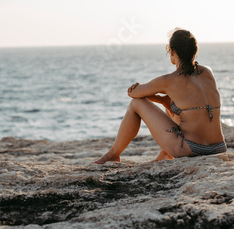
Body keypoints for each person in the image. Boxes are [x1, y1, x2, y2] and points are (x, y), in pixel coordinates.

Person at [94, 28, 226, 164]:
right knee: (171, 106)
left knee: (136, 104)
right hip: (219, 147)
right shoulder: (207, 72)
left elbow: (134, 94)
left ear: (172, 51)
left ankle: (113, 154)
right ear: (195, 51)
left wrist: (144, 89)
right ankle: (164, 154)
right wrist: (161, 99)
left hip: (192, 149)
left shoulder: (169, 81)